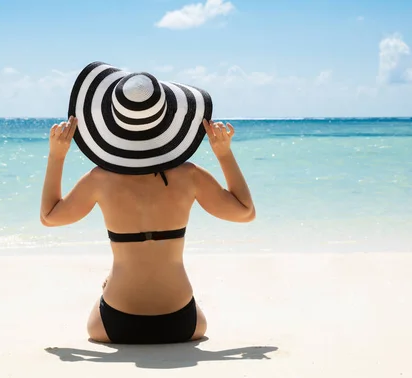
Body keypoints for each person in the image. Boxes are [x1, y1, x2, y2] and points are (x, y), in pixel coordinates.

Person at [41, 62, 255, 345]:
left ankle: (115, 285)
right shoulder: (190, 176)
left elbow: (50, 217)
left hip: (114, 325)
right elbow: (245, 212)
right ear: (168, 123)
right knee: (196, 314)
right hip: (183, 323)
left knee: (106, 290)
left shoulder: (100, 179)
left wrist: (57, 156)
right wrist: (224, 154)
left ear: (112, 124)